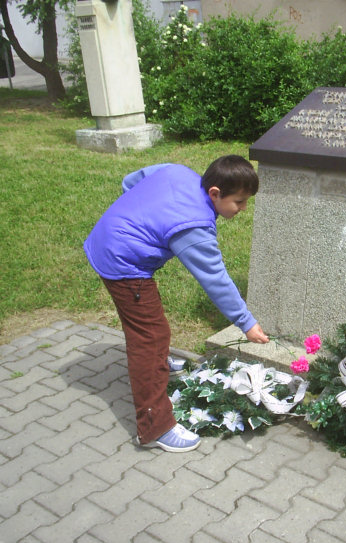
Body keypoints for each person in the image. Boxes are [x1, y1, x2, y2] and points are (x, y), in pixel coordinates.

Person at [84, 155, 269, 453]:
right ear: (215, 193)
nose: (244, 208)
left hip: (107, 238)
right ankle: (154, 428)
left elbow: (131, 181)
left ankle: (158, 364)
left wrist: (138, 215)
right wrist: (246, 322)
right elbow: (215, 279)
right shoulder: (194, 226)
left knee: (150, 328)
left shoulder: (179, 172)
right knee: (150, 337)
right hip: (122, 262)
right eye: (239, 201)